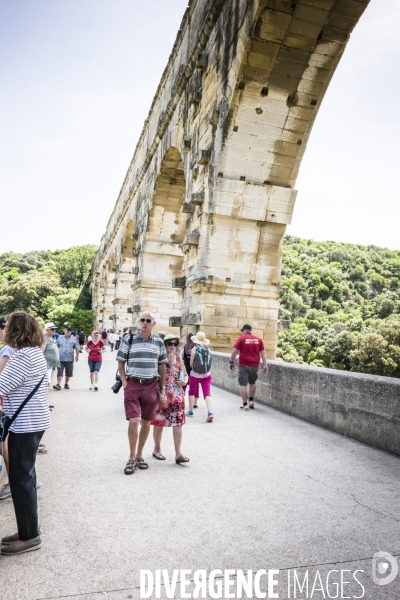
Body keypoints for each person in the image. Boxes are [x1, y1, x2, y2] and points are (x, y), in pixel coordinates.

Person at [0, 311, 50, 555]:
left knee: (21, 480)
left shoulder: (23, 357)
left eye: (8, 326)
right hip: (32, 422)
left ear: (15, 330)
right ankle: (26, 530)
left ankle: (30, 536)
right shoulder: (33, 353)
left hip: (25, 424)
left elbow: (1, 385)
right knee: (23, 478)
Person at [116, 311, 167, 474]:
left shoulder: (159, 342)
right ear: (139, 322)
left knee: (146, 422)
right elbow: (121, 361)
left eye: (148, 320)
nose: (145, 323)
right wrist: (124, 381)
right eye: (142, 320)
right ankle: (131, 457)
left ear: (154, 323)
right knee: (134, 420)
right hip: (133, 383)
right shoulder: (129, 339)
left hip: (152, 385)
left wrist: (162, 387)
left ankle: (139, 455)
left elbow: (162, 365)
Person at [151, 334, 189, 464]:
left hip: (177, 394)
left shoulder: (178, 357)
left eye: (175, 344)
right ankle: (157, 449)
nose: (173, 346)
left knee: (178, 423)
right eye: (170, 344)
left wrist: (184, 381)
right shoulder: (159, 357)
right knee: (159, 422)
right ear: (165, 345)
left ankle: (178, 454)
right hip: (162, 393)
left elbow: (185, 373)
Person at [229, 324, 268, 410]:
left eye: (242, 331)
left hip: (244, 365)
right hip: (255, 365)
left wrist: (231, 362)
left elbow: (234, 351)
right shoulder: (258, 339)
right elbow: (263, 353)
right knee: (252, 382)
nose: (242, 333)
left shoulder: (241, 339)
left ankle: (245, 404)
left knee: (243, 384)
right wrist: (265, 365)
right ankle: (251, 400)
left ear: (245, 330)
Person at [186, 332, 213, 422]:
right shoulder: (208, 349)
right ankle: (210, 412)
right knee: (207, 393)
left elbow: (190, 363)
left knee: (191, 392)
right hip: (207, 374)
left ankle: (190, 411)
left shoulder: (195, 349)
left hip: (195, 375)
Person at [54, 326, 80, 390]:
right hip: (60, 358)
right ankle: (59, 384)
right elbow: (55, 347)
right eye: (67, 330)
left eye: (70, 330)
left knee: (68, 372)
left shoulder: (74, 338)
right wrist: (54, 356)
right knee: (59, 371)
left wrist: (77, 355)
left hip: (70, 359)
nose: (68, 331)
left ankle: (66, 383)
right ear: (64, 331)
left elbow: (77, 347)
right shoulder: (60, 338)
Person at [180, 332, 199, 406]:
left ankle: (182, 401)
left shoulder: (184, 348)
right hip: (194, 369)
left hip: (186, 369)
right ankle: (195, 403)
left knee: (183, 386)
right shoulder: (196, 348)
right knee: (195, 387)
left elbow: (180, 358)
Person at [43, 323, 60, 387]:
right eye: (52, 329)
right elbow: (41, 351)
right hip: (45, 365)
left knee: (48, 381)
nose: (54, 331)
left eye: (54, 329)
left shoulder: (51, 338)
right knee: (46, 381)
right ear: (47, 330)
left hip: (50, 365)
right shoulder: (44, 338)